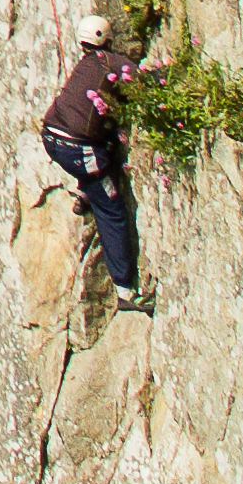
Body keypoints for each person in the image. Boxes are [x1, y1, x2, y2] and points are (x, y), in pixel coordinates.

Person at [40, 17, 149, 310]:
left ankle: (84, 190)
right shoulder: (109, 62)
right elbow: (140, 79)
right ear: (107, 38)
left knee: (106, 148)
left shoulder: (85, 65)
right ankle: (126, 292)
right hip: (76, 148)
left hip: (53, 137)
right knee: (112, 209)